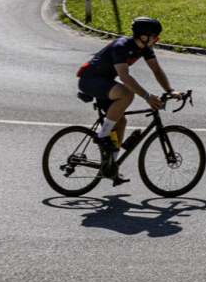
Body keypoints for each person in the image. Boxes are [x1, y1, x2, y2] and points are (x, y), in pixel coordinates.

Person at [76, 16, 178, 185]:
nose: (158, 40)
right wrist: (147, 96)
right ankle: (102, 136)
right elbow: (124, 76)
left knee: (121, 122)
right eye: (156, 36)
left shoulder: (145, 48)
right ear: (144, 37)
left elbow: (157, 70)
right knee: (127, 93)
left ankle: (111, 167)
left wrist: (170, 90)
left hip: (106, 84)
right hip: (90, 80)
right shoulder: (121, 46)